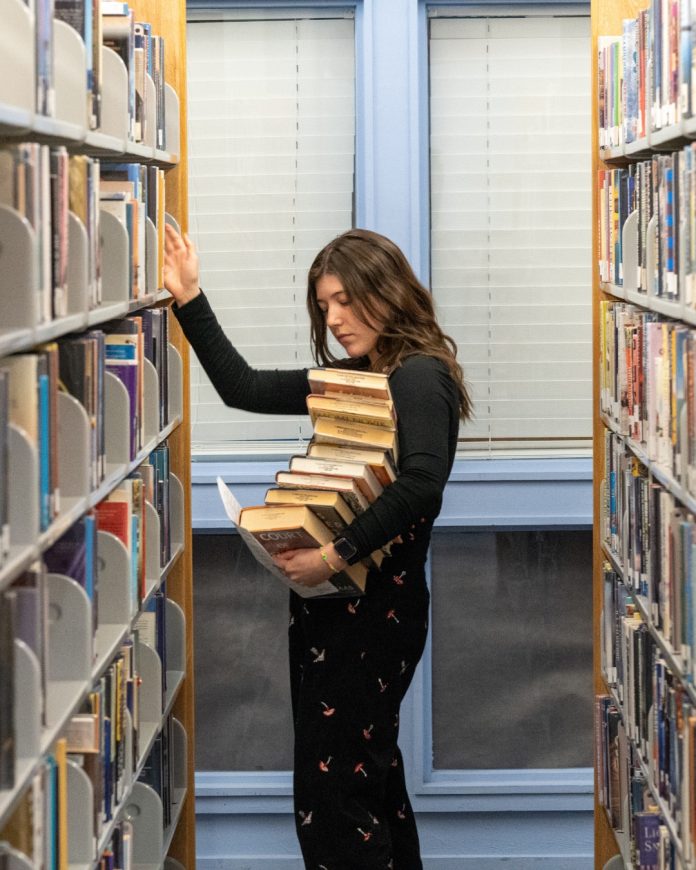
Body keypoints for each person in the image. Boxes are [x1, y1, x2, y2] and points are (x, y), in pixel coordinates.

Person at [163, 224, 472, 870]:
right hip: (334, 609)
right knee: (367, 785)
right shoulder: (365, 374)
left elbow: (422, 483)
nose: (332, 319)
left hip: (373, 616)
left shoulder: (419, 376)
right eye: (324, 304)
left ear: (386, 292)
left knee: (334, 802)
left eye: (345, 301)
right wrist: (189, 297)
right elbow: (245, 387)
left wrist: (331, 556)